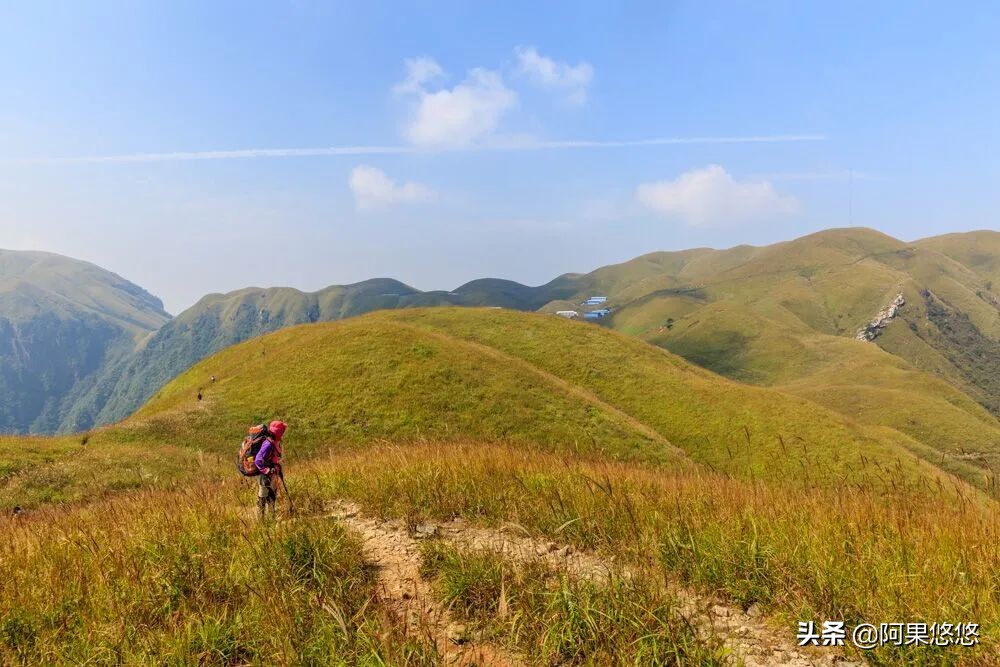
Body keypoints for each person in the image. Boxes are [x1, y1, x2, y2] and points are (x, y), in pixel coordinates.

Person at [254, 420, 287, 518]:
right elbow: (258, 460)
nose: (283, 434)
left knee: (272, 496)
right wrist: (267, 470)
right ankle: (261, 519)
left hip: (273, 474)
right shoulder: (268, 444)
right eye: (282, 432)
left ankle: (271, 516)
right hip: (265, 476)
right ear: (278, 432)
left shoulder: (275, 442)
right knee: (263, 497)